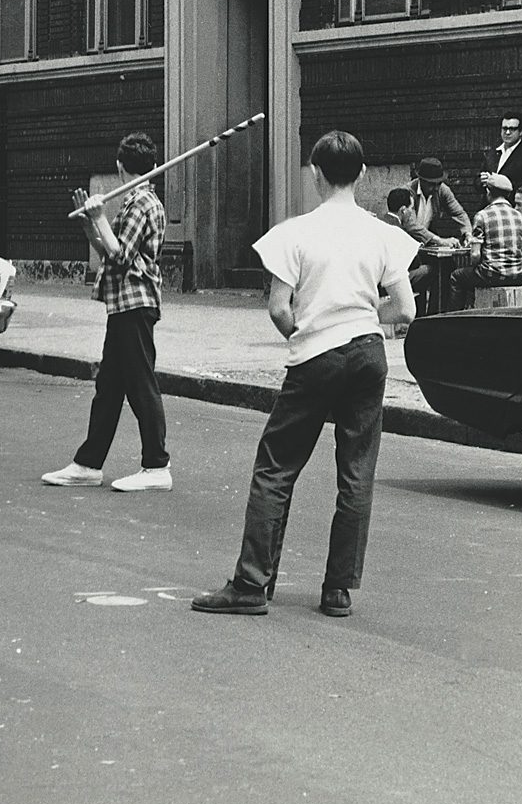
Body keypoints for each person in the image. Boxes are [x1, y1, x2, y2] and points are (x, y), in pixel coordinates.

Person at [192, 129, 416, 620]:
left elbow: (278, 309)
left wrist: (308, 328)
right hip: (367, 353)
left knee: (276, 467)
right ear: (361, 174)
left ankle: (252, 582)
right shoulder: (382, 234)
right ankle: (338, 588)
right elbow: (405, 309)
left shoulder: (294, 232)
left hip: (316, 355)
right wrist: (358, 313)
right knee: (356, 472)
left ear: (315, 174)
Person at [42, 131, 171, 493]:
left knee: (140, 385)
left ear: (118, 167)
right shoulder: (134, 202)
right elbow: (106, 248)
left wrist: (99, 216)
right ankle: (88, 464)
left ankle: (157, 465)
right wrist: (90, 222)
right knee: (109, 388)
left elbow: (120, 256)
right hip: (123, 304)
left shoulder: (143, 204)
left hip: (135, 304)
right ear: (155, 166)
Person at [451, 171, 522, 304]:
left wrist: (476, 264)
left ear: (488, 191)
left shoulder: (482, 216)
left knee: (457, 277)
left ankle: (453, 320)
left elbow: (475, 255)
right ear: (508, 194)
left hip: (491, 274)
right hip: (518, 274)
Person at [385, 188, 432, 312]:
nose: (411, 213)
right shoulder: (398, 230)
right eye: (411, 209)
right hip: (390, 281)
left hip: (380, 277)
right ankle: (423, 315)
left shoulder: (381, 222)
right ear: (403, 210)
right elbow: (413, 262)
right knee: (428, 270)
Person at [407, 157, 472, 245]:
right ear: (421, 180)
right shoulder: (408, 192)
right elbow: (412, 225)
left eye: (439, 183)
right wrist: (440, 241)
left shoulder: (442, 190)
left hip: (427, 243)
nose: (436, 188)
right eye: (432, 184)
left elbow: (459, 213)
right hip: (407, 242)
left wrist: (468, 234)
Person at [479, 115, 522, 200]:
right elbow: (477, 180)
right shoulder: (493, 152)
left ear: (521, 132)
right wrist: (481, 181)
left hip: (513, 207)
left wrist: (501, 183)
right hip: (489, 206)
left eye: (512, 129)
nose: (507, 132)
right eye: (504, 128)